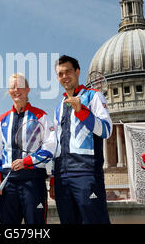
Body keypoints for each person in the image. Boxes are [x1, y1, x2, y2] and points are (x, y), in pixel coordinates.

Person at [49, 55, 112, 224]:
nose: (64, 77)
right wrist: (54, 178)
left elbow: (106, 130)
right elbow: (56, 145)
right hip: (62, 177)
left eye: (68, 72)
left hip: (86, 173)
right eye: (60, 74)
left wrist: (82, 111)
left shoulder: (94, 96)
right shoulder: (59, 107)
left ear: (77, 72)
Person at [0, 73, 56, 224]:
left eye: (20, 86)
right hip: (8, 185)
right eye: (12, 87)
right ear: (8, 92)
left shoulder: (41, 116)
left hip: (33, 181)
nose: (16, 90)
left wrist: (27, 161)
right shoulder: (2, 120)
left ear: (28, 89)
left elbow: (50, 148)